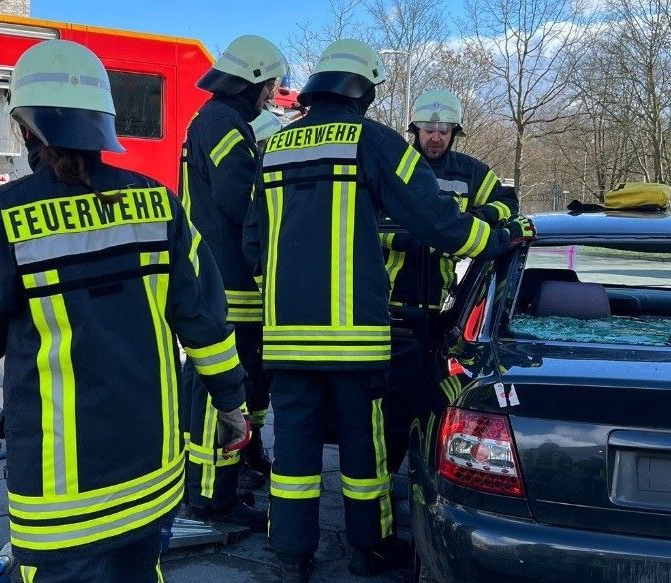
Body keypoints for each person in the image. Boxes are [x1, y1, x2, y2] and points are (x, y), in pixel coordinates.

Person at [0, 40, 249, 583]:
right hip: (150, 479)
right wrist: (231, 402)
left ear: (23, 127)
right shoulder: (159, 205)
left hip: (60, 497)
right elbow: (204, 321)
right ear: (104, 121)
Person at [243, 39, 535, 582]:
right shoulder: (373, 141)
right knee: (363, 448)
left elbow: (253, 241)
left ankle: (288, 556)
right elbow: (439, 224)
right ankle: (367, 549)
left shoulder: (275, 147)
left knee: (295, 454)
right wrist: (498, 239)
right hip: (356, 336)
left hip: (285, 335)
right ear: (362, 91)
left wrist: (280, 297)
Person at [379, 88, 520, 473]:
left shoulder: (471, 172)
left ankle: (425, 466)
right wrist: (415, 234)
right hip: (394, 307)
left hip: (445, 311)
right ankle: (384, 475)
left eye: (443, 129)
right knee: (392, 400)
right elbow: (372, 222)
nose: (435, 137)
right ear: (415, 130)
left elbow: (508, 205)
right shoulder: (395, 164)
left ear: (455, 131)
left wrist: (469, 222)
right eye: (428, 128)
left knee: (434, 395)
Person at [178, 35, 286, 527]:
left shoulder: (219, 119)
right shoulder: (224, 123)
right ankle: (209, 496)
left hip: (228, 280)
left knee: (243, 386)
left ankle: (239, 464)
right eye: (268, 86)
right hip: (228, 282)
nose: (270, 96)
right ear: (254, 80)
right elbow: (238, 197)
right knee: (217, 390)